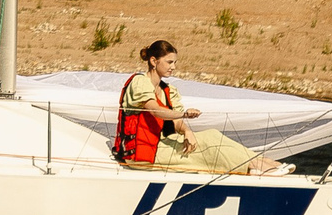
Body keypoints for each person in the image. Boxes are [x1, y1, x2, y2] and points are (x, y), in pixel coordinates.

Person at [114, 40, 284, 176]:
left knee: (212, 135)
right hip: (141, 153)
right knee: (209, 146)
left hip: (158, 145)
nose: (173, 67)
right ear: (153, 61)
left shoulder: (168, 90)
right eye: (169, 62)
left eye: (175, 62)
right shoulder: (139, 82)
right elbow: (156, 110)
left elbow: (176, 122)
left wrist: (187, 130)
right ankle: (253, 166)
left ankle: (263, 162)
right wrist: (184, 114)